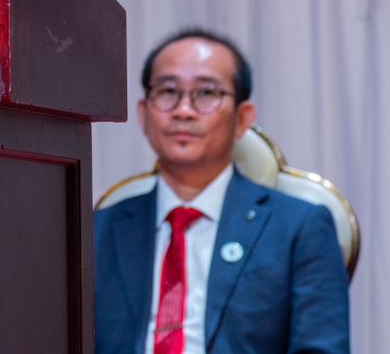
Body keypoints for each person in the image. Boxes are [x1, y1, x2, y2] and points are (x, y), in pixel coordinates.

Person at [94, 29, 350, 353]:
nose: (183, 110)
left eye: (206, 93)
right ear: (143, 115)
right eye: (168, 91)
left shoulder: (300, 228)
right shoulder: (98, 231)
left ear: (243, 118)